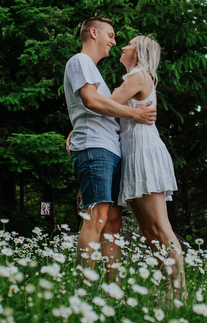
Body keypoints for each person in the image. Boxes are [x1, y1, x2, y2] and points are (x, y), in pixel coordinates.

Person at [63, 17, 156, 277]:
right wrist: (136, 115)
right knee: (97, 217)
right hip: (95, 148)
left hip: (111, 150)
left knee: (113, 222)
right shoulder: (79, 61)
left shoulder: (94, 72)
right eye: (111, 35)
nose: (114, 42)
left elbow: (97, 108)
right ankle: (83, 288)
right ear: (93, 33)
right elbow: (91, 101)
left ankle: (109, 289)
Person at [109, 35, 186, 300]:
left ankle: (179, 293)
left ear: (139, 52)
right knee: (149, 231)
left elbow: (106, 105)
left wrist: (79, 127)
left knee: (160, 227)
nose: (122, 46)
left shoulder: (138, 76)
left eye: (128, 44)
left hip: (144, 153)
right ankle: (168, 289)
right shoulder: (136, 77)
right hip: (133, 153)